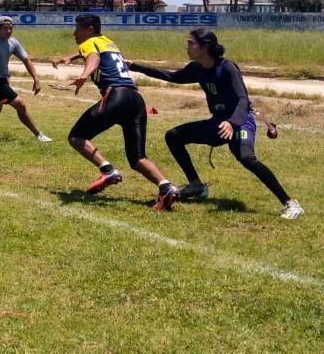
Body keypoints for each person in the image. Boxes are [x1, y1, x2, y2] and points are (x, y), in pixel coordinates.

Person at [128, 29, 302, 219]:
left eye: (191, 43)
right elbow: (172, 76)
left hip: (241, 121)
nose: (187, 46)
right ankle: (195, 185)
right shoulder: (196, 68)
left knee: (245, 157)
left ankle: (290, 203)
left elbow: (243, 100)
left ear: (205, 47)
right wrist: (135, 67)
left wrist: (232, 122)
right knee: (174, 136)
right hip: (218, 123)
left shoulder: (227, 68)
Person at [52, 14, 179, 211]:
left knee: (76, 136)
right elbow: (94, 52)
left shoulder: (90, 44)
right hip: (135, 99)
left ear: (90, 30)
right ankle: (166, 187)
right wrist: (71, 56)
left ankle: (107, 170)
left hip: (115, 97)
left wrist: (84, 75)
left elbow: (93, 58)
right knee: (137, 159)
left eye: (78, 29)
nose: (74, 33)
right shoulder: (108, 42)